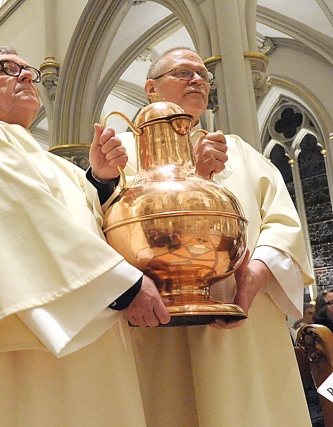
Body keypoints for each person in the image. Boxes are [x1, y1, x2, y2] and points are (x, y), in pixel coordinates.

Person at [0, 46, 170, 427]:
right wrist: (126, 287)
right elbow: (27, 222)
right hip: (23, 351)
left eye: (29, 71)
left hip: (87, 331)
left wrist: (99, 180)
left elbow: (78, 218)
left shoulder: (49, 160)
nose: (25, 76)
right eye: (8, 69)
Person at [114, 47, 314, 427]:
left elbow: (283, 221)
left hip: (245, 322)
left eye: (204, 75)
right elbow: (110, 221)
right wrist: (195, 174)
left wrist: (256, 273)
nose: (197, 80)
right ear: (151, 88)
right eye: (183, 72)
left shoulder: (241, 152)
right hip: (160, 323)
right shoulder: (123, 153)